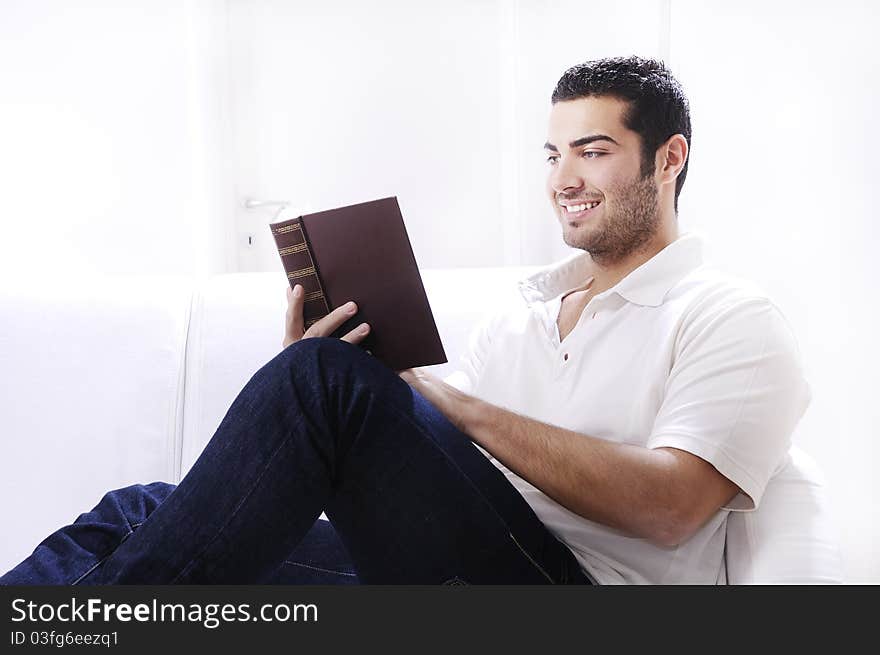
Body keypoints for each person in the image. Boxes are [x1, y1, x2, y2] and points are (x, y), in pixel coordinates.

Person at [0, 56, 809, 585]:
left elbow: (672, 507)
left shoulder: (729, 316)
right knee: (139, 507)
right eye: (553, 155)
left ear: (669, 159)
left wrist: (395, 396)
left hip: (571, 588)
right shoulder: (524, 315)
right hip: (455, 566)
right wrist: (309, 390)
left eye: (593, 151)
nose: (565, 178)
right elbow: (423, 457)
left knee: (326, 385)